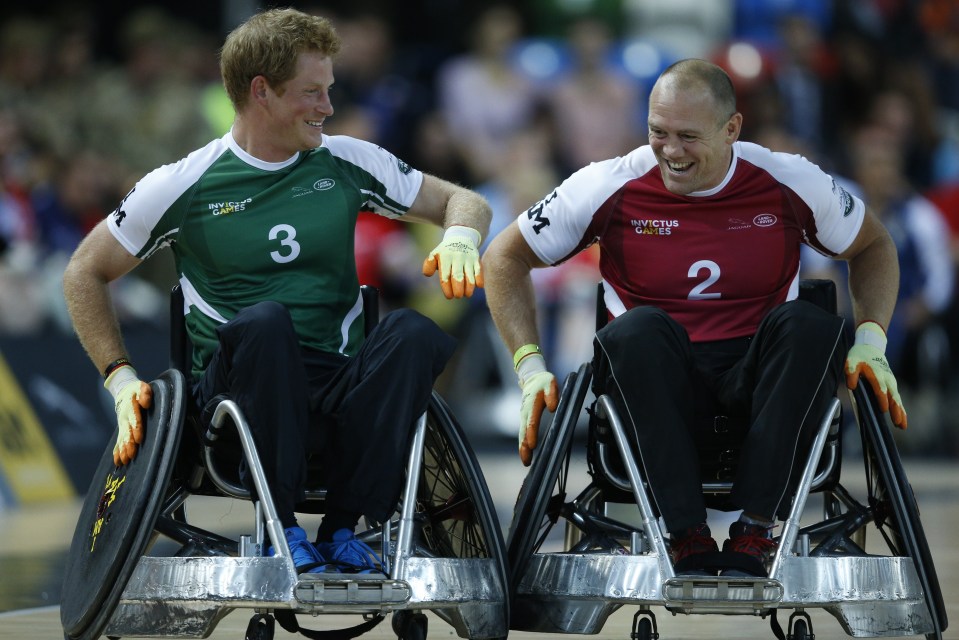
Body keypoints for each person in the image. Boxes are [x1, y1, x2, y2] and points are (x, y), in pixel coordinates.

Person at [62, 8, 489, 576]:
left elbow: (467, 200)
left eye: (330, 90)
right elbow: (83, 271)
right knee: (266, 321)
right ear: (261, 91)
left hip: (337, 383)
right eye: (312, 92)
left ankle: (342, 529)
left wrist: (461, 233)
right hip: (235, 395)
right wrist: (119, 378)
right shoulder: (183, 183)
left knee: (411, 330)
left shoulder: (344, 160)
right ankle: (280, 527)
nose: (328, 108)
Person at [482, 58, 906, 578]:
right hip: (657, 383)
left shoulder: (788, 178)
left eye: (688, 136)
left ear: (732, 129)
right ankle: (685, 535)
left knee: (812, 324)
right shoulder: (607, 184)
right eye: (658, 132)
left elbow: (874, 246)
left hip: (758, 384)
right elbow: (503, 257)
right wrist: (529, 367)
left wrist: (871, 338)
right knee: (634, 329)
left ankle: (756, 529)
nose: (671, 151)